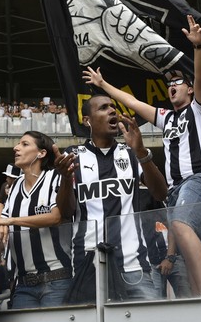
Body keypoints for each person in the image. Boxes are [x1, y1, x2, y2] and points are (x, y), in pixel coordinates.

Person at [81, 14, 201, 296]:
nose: (171, 86)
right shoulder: (166, 117)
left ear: (190, 90)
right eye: (169, 84)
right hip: (175, 188)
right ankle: (195, 292)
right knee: (182, 231)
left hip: (200, 178)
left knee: (180, 224)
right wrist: (102, 84)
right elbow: (131, 102)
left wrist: (197, 48)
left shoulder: (200, 109)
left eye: (178, 82)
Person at [55, 95, 168, 301]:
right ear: (87, 120)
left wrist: (141, 152)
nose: (112, 111)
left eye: (113, 107)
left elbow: (161, 193)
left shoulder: (132, 152)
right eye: (104, 108)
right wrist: (65, 179)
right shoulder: (74, 155)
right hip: (88, 264)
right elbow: (65, 212)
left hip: (134, 264)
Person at [0, 131, 71, 309]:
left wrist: (10, 221)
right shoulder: (16, 185)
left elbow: (55, 216)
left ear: (41, 153)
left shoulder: (54, 177)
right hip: (23, 283)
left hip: (56, 278)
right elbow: (2, 219)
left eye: (25, 144)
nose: (16, 148)